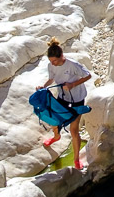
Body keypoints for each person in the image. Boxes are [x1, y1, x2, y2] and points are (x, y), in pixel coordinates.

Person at [37, 39, 92, 168]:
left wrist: (73, 84)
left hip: (77, 100)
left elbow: (88, 75)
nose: (53, 64)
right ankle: (56, 137)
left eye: (55, 61)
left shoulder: (72, 65)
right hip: (62, 97)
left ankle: (77, 160)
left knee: (74, 130)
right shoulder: (51, 65)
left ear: (61, 56)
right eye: (51, 61)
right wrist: (43, 87)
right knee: (54, 120)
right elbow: (51, 79)